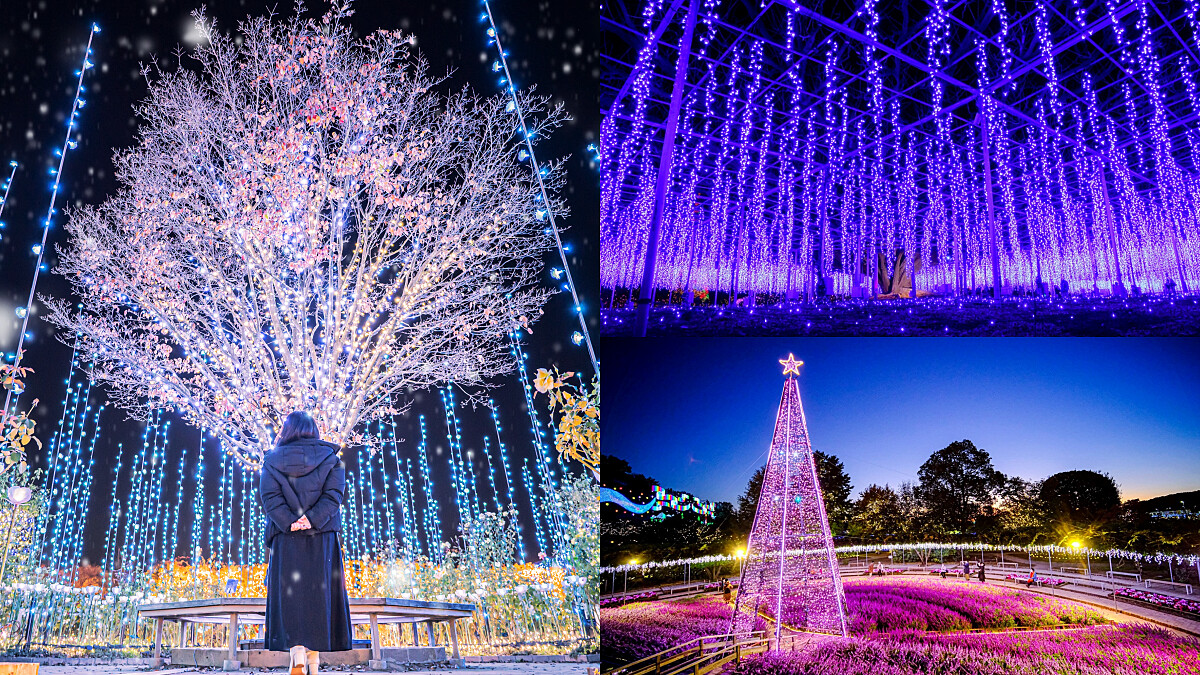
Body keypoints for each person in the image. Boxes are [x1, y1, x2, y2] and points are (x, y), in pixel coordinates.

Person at [260, 411, 352, 675]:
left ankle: (298, 655)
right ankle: (313, 661)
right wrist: (311, 519)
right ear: (314, 430)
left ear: (287, 431)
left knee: (292, 598)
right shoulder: (332, 459)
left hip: (285, 538)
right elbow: (334, 496)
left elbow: (270, 498)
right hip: (322, 536)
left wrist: (291, 521)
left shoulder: (271, 461)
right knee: (319, 598)